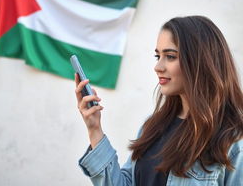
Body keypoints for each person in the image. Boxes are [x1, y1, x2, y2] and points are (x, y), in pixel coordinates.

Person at [75, 16, 243, 186]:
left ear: (200, 61)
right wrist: (94, 129)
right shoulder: (152, 127)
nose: (158, 67)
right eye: (158, 56)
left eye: (170, 56)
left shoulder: (233, 140)